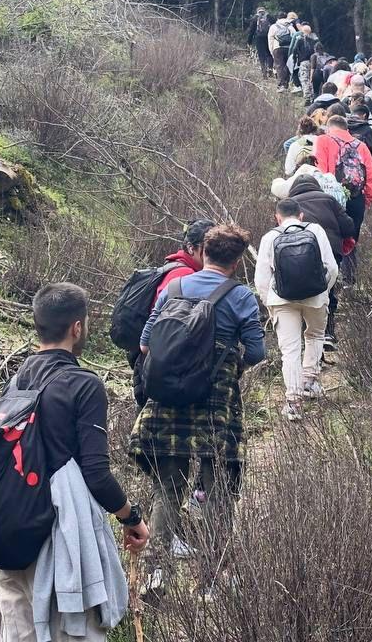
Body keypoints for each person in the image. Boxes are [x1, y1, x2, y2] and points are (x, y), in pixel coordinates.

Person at [0, 283, 150, 642]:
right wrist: (132, 517)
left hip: (12, 529)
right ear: (77, 328)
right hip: (59, 531)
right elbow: (96, 474)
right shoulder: (83, 384)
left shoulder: (16, 381)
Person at [131, 225, 265, 597]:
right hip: (215, 406)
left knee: (168, 487)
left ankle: (157, 571)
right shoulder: (241, 298)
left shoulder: (174, 289)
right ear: (237, 262)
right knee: (218, 488)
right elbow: (256, 352)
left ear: (203, 251)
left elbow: (145, 346)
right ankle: (212, 578)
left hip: (167, 403)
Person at [255, 199, 338, 422]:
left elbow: (261, 279)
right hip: (315, 297)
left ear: (278, 218)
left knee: (290, 350)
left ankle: (293, 403)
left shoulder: (270, 237)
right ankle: (310, 381)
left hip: (281, 300)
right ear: (301, 216)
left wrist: (269, 302)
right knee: (314, 335)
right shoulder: (316, 230)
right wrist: (323, 292)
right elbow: (331, 268)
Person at [127, 220, 215, 407]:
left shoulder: (176, 268)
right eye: (208, 248)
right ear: (191, 248)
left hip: (154, 356)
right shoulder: (183, 274)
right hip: (158, 360)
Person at [285, 173, 355, 352]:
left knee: (301, 291)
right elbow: (348, 227)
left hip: (296, 254)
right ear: (316, 185)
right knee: (327, 290)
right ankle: (327, 333)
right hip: (329, 250)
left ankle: (304, 335)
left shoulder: (289, 204)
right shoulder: (329, 200)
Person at [313, 115, 372, 283]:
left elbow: (320, 171)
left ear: (329, 128)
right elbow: (371, 176)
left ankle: (330, 282)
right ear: (347, 130)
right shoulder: (361, 146)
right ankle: (349, 281)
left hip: (331, 199)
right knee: (351, 241)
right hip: (356, 198)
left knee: (330, 241)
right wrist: (366, 201)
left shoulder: (323, 140)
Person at [268, 13, 297, 91]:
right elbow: (295, 37)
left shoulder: (273, 26)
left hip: (277, 48)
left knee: (279, 66)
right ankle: (287, 84)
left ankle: (282, 85)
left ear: (277, 18)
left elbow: (270, 39)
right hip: (289, 48)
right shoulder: (290, 26)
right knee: (288, 66)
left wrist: (271, 51)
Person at [289, 25, 319, 100]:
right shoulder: (314, 40)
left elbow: (295, 50)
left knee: (304, 78)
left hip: (303, 62)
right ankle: (313, 95)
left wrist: (295, 60)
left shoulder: (300, 40)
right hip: (313, 62)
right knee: (311, 78)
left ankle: (307, 96)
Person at [245, 7, 274, 79]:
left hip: (259, 38)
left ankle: (264, 72)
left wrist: (249, 41)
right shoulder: (269, 17)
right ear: (264, 11)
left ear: (257, 11)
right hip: (268, 37)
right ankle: (270, 68)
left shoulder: (255, 18)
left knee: (261, 55)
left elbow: (251, 30)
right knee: (269, 53)